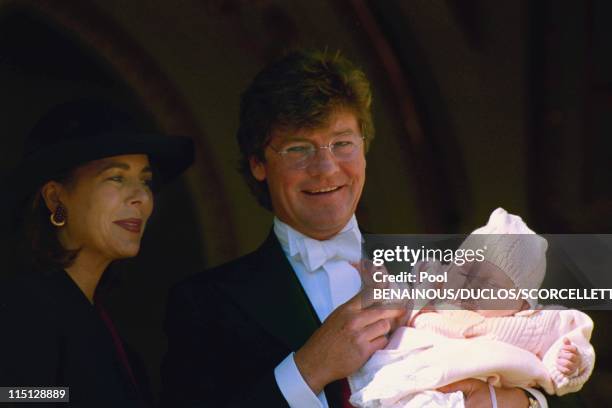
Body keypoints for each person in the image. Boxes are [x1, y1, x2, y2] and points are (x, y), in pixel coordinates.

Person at [161, 50, 550, 407]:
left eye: (342, 143)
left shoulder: (452, 269)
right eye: (299, 148)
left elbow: (547, 358)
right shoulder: (203, 305)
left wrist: (510, 400)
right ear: (258, 164)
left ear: (364, 150)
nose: (326, 168)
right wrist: (308, 369)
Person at [0, 99, 194, 407]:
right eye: (116, 177)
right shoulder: (23, 307)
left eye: (146, 181)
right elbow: (11, 398)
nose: (141, 197)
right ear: (55, 198)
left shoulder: (112, 335)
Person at [349, 208, 595, 407]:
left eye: (489, 284)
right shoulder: (430, 294)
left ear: (522, 303)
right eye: (464, 271)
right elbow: (398, 300)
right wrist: (381, 284)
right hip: (408, 382)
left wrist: (570, 363)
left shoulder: (532, 323)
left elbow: (568, 340)